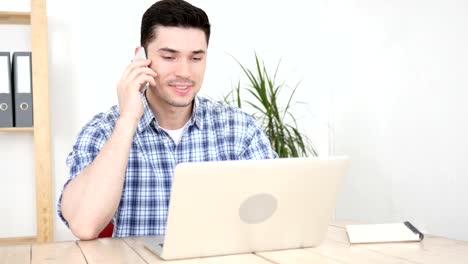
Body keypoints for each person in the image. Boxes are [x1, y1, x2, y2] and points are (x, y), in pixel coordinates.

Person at [58, 0, 277, 240]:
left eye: (196, 58)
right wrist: (128, 119)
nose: (184, 72)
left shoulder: (239, 130)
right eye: (169, 57)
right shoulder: (103, 130)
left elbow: (276, 216)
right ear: (140, 58)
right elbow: (84, 225)